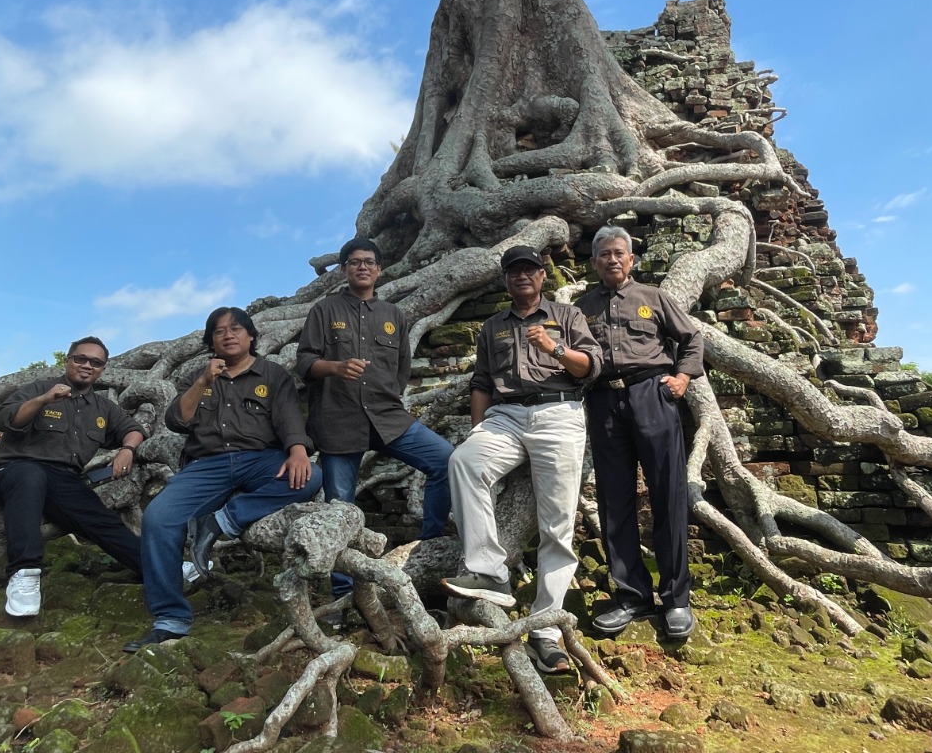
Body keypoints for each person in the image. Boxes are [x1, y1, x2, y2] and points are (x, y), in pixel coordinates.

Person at [124, 306, 322, 651]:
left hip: (261, 459)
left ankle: (220, 522)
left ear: (251, 336)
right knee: (158, 518)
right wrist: (203, 381)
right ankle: (170, 618)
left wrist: (298, 450)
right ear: (210, 341)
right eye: (219, 331)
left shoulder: (272, 374)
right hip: (208, 464)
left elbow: (290, 419)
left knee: (309, 477)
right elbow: (177, 421)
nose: (228, 335)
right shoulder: (197, 377)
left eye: (235, 329)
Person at [442, 245, 601, 674]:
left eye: (530, 269)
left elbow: (590, 366)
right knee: (464, 462)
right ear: (506, 280)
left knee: (558, 526)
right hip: (506, 415)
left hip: (559, 412)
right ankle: (489, 572)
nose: (522, 277)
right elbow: (480, 383)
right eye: (514, 271)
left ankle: (545, 633)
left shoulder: (567, 316)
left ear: (542, 276)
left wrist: (554, 348)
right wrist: (478, 429)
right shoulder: (492, 325)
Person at [296, 236, 455, 606]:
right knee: (341, 507)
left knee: (445, 459)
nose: (362, 267)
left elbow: (400, 371)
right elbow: (304, 363)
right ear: (345, 269)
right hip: (338, 419)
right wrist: (336, 367)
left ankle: (429, 545)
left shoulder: (393, 316)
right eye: (354, 262)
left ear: (379, 270)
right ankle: (343, 593)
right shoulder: (324, 310)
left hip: (388, 418)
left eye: (369, 261)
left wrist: (384, 396)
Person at [576, 226, 705, 641]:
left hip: (653, 395)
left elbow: (692, 338)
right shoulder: (582, 308)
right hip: (604, 402)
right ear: (594, 262)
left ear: (631, 259)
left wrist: (683, 378)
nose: (612, 260)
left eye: (619, 253)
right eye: (604, 255)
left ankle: (676, 598)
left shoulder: (653, 297)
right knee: (615, 499)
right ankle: (632, 596)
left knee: (668, 494)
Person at [0, 337, 145, 617]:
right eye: (80, 359)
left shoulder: (102, 407)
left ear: (102, 369)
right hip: (13, 470)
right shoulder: (38, 389)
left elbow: (133, 428)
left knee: (100, 517)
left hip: (62, 479)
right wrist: (44, 400)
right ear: (67, 361)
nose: (86, 366)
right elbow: (5, 420)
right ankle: (24, 573)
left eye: (95, 362)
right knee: (31, 475)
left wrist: (127, 449)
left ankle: (157, 567)